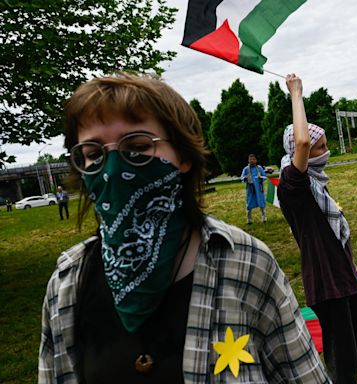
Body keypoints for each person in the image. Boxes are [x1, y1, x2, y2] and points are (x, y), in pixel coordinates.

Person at [39, 73, 330, 383]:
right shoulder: (67, 284)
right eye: (94, 154)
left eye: (137, 147)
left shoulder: (246, 264)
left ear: (183, 157)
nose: (113, 170)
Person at [277, 73, 357, 384]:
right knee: (342, 361)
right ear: (301, 153)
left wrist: (354, 270)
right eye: (320, 148)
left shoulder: (317, 185)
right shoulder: (293, 186)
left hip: (344, 277)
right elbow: (301, 140)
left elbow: (337, 236)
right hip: (326, 282)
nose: (325, 152)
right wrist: (296, 94)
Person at [240, 154, 267, 224]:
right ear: (248, 161)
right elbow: (242, 177)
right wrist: (245, 178)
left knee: (262, 202)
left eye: (253, 159)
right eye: (250, 159)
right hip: (250, 189)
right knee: (249, 203)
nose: (252, 161)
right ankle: (249, 219)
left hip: (259, 188)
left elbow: (264, 176)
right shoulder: (246, 169)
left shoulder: (259, 168)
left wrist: (261, 178)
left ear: (256, 160)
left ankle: (264, 218)